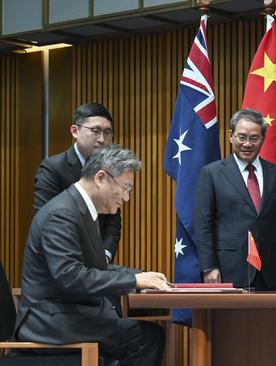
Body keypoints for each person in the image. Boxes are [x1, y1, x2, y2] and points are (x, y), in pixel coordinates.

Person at [15, 145, 169, 366]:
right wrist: (133, 280)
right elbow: (70, 277)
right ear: (100, 178)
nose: (126, 198)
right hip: (50, 320)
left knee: (142, 333)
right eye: (125, 188)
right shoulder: (62, 214)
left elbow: (96, 267)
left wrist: (143, 276)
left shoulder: (81, 210)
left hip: (69, 314)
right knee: (147, 338)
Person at [194, 108, 276, 291]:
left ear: (263, 139)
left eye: (254, 138)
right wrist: (210, 266)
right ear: (231, 136)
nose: (247, 144)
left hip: (271, 271)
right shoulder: (212, 173)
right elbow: (203, 224)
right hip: (229, 269)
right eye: (241, 137)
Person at [33, 102, 121, 263]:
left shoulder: (109, 170)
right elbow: (46, 221)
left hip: (99, 266)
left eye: (107, 132)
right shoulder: (52, 168)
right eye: (95, 131)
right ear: (75, 131)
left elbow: (112, 221)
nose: (102, 139)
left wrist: (105, 256)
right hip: (62, 261)